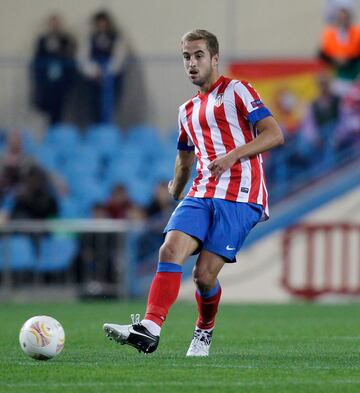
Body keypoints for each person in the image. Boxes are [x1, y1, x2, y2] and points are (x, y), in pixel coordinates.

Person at [103, 30, 284, 356]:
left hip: (241, 194)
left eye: (198, 55)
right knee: (170, 250)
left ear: (215, 58)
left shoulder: (238, 91)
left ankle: (204, 330)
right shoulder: (186, 110)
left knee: (203, 276)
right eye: (186, 57)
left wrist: (233, 155)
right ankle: (150, 328)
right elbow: (185, 154)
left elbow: (274, 134)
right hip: (201, 192)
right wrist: (176, 184)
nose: (192, 63)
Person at [78, 10, 129, 124]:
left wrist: (108, 71)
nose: (102, 25)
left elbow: (119, 57)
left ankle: (109, 127)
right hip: (93, 78)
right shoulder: (90, 38)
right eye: (99, 22)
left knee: (110, 104)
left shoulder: (116, 37)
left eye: (104, 22)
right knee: (93, 105)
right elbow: (83, 58)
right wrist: (94, 71)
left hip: (112, 78)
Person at [30, 14, 77, 125]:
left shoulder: (66, 39)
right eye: (53, 22)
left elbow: (70, 54)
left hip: (61, 81)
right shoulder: (43, 40)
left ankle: (57, 127)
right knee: (47, 107)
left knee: (60, 106)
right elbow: (38, 57)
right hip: (47, 81)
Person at [319, 7, 360, 96]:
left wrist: (347, 60)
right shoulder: (329, 33)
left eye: (345, 18)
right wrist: (335, 60)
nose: (343, 21)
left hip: (354, 74)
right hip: (336, 75)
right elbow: (322, 54)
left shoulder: (357, 32)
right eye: (340, 18)